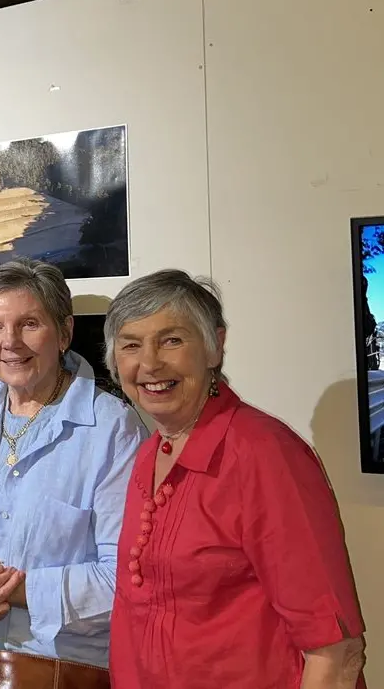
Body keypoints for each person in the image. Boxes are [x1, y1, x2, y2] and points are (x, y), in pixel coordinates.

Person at [104, 270, 368, 688]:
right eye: (131, 345)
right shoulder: (151, 452)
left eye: (172, 340)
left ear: (215, 346)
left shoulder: (265, 454)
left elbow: (335, 649)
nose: (149, 363)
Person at [0, 258, 146, 689]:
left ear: (65, 332)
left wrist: (10, 590)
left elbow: (126, 578)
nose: (10, 343)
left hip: (61, 670)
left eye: (29, 323)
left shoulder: (112, 428)